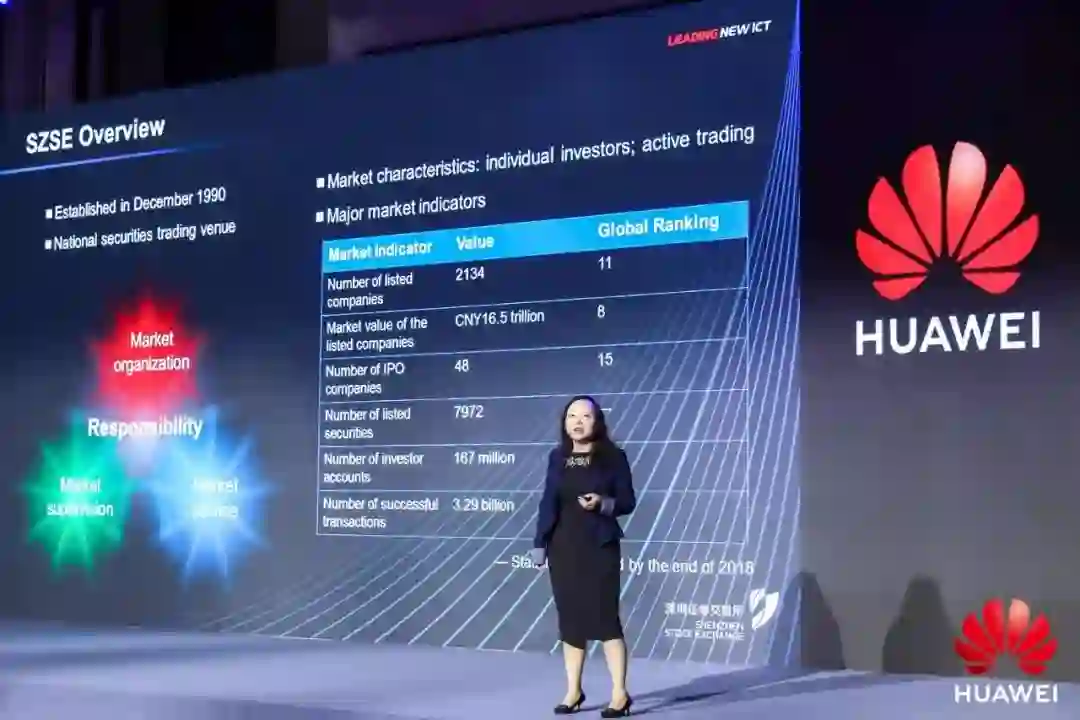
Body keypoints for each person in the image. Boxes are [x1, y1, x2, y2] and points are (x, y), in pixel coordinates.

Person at [530, 395, 636, 717]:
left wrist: (602, 503)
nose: (578, 422)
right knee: (571, 621)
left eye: (585, 416)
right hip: (563, 549)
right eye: (572, 416)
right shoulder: (557, 457)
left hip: (600, 547)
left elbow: (627, 501)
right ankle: (573, 691)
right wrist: (539, 542)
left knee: (606, 620)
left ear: (597, 421)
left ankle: (620, 694)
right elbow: (548, 501)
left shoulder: (613, 457)